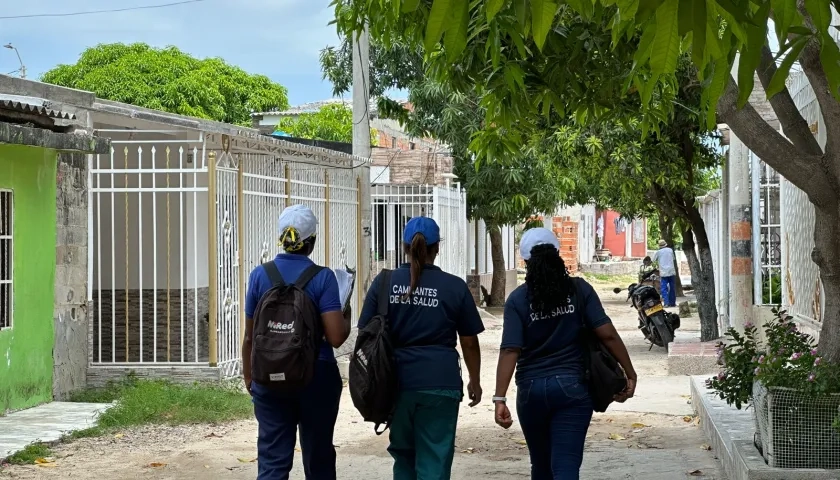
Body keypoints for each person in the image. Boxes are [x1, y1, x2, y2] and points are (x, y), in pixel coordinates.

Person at [493, 228, 637, 480]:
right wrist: (630, 371)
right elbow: (607, 334)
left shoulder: (517, 300)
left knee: (540, 466)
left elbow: (510, 350)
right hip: (573, 389)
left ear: (525, 261)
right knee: (566, 466)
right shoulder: (579, 290)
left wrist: (499, 398)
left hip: (531, 390)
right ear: (558, 254)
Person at [358, 216, 485, 479]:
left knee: (403, 456)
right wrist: (475, 380)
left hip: (395, 383)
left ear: (405, 247)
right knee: (435, 459)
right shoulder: (454, 286)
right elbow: (469, 342)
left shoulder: (384, 283)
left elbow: (365, 333)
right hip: (441, 383)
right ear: (437, 247)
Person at [241, 204, 352, 480]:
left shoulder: (259, 275)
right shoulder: (324, 278)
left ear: (282, 239)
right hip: (316, 378)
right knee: (319, 458)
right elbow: (337, 337)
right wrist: (345, 312)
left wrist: (250, 377)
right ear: (311, 241)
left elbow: (248, 337)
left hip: (268, 377)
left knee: (272, 463)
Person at [653, 239, 677, 307]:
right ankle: (672, 303)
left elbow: (653, 260)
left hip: (664, 273)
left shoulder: (658, 252)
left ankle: (666, 303)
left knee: (663, 288)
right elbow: (673, 259)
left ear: (659, 246)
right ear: (665, 244)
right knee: (672, 288)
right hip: (671, 271)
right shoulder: (670, 250)